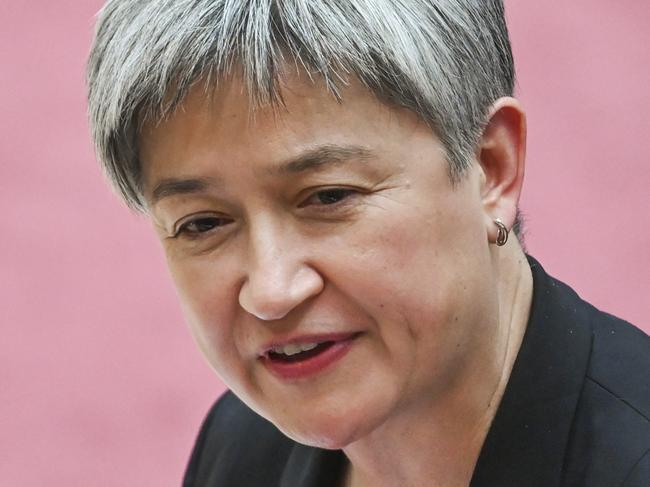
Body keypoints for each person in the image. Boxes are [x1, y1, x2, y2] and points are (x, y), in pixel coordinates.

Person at [86, 1, 650, 485]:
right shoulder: (242, 449)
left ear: (490, 168)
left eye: (328, 197)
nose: (272, 290)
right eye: (203, 224)